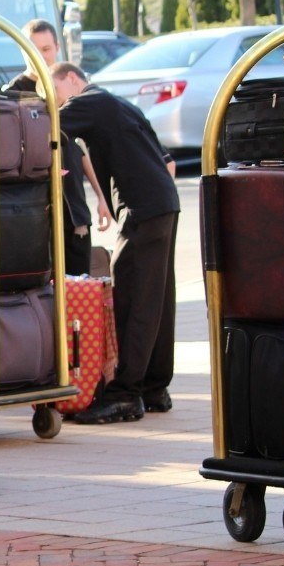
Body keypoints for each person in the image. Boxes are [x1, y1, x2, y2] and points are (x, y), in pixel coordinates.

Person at [50, 61, 180, 424]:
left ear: (72, 80)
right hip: (163, 203)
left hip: (141, 208)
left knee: (133, 297)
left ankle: (125, 394)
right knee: (157, 298)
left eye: (56, 92)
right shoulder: (121, 104)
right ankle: (155, 386)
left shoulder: (90, 102)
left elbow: (45, 128)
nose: (58, 103)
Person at [3, 20, 111, 274]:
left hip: (73, 207)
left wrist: (102, 196)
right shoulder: (13, 94)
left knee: (78, 283)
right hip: (35, 209)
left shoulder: (68, 85)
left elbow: (81, 148)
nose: (41, 56)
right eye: (33, 49)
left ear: (57, 49)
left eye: (46, 49)